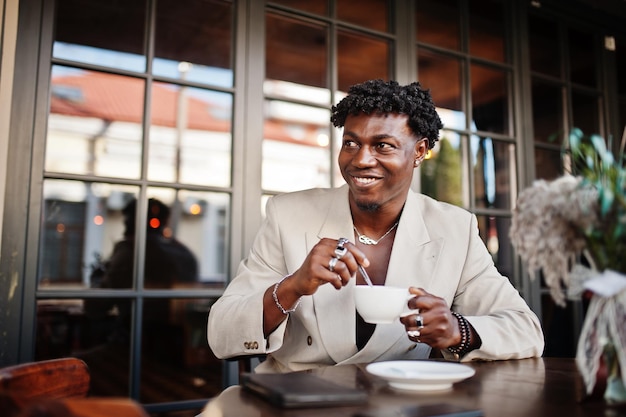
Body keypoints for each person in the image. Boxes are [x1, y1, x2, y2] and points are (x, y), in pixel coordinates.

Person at [207, 79, 544, 373]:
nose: (360, 160)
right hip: (298, 402)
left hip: (399, 404)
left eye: (382, 145)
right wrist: (293, 286)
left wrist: (459, 331)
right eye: (351, 143)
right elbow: (221, 332)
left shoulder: (454, 228)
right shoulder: (288, 214)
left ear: (420, 151)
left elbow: (525, 330)